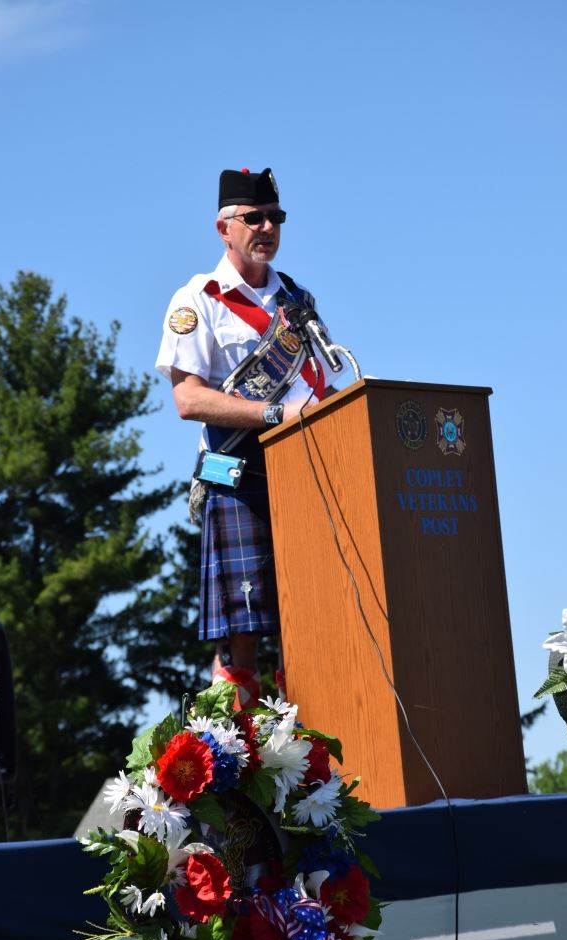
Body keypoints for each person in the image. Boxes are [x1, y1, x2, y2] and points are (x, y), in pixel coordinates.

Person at [155, 167, 339, 708]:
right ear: (223, 228)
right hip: (237, 478)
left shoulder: (297, 300)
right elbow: (188, 400)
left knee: (309, 624)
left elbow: (326, 388)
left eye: (275, 217)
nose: (266, 227)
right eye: (253, 217)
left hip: (306, 477)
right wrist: (276, 413)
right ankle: (242, 765)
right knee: (244, 637)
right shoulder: (198, 300)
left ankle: (310, 757)